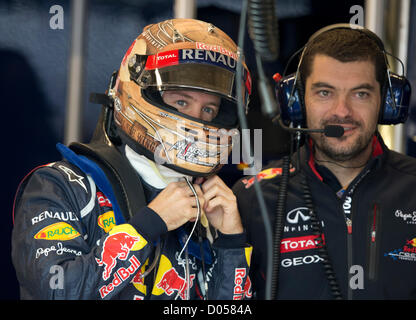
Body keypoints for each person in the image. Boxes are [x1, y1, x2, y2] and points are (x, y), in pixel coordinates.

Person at [12, 18, 253, 300]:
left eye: (209, 109)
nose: (196, 120)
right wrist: (149, 225)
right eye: (182, 102)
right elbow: (56, 291)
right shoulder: (61, 186)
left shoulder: (209, 207)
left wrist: (232, 243)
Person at [233, 24, 414, 300]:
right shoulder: (251, 198)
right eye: (324, 93)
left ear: (388, 102)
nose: (342, 111)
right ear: (297, 101)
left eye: (360, 93)